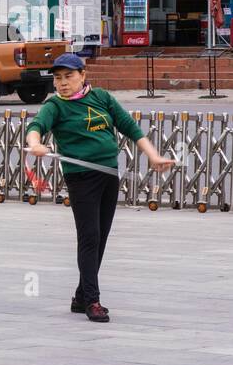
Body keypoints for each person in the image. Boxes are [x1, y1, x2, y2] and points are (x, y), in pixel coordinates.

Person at [25, 53, 174, 323]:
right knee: (90, 236)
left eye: (69, 76)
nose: (62, 83)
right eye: (58, 78)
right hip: (81, 178)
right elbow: (36, 126)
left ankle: (81, 296)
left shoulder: (102, 98)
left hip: (108, 175)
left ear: (83, 75)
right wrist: (35, 143)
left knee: (101, 236)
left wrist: (152, 155)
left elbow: (129, 127)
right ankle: (93, 301)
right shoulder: (55, 106)